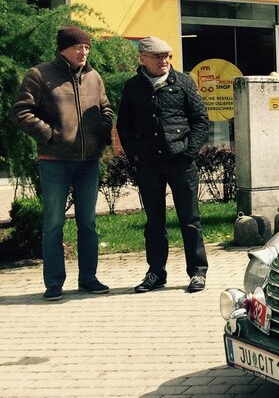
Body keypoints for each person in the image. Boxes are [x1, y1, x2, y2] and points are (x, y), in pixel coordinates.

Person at [10, 26, 114, 301]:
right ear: (63, 49)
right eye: (78, 47)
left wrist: (103, 130)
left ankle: (88, 279)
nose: (84, 51)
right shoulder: (40, 74)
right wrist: (49, 135)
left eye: (87, 47)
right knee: (53, 224)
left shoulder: (93, 76)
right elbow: (20, 111)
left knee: (88, 224)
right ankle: (54, 283)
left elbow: (106, 108)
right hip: (54, 161)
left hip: (88, 161)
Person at [117, 36, 210, 294]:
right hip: (148, 164)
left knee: (189, 219)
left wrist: (190, 151)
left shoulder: (183, 83)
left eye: (167, 56)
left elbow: (201, 119)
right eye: (158, 57)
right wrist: (134, 154)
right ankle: (156, 273)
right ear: (143, 59)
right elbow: (123, 124)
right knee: (154, 222)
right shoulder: (133, 87)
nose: (164, 61)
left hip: (181, 162)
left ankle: (198, 272)